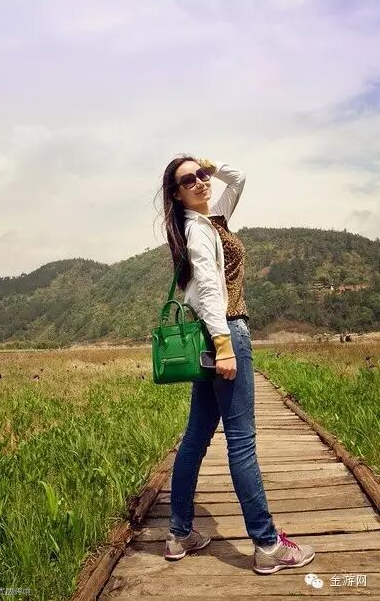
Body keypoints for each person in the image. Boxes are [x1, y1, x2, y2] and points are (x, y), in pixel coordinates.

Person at [157, 154, 315, 574]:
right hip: (226, 330)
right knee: (241, 441)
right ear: (176, 194)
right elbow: (210, 289)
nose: (200, 182)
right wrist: (225, 346)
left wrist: (209, 164)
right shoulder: (197, 230)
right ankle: (267, 544)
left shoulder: (213, 219)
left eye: (201, 175)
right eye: (189, 180)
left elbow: (239, 178)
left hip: (213, 334)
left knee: (195, 438)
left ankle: (179, 533)